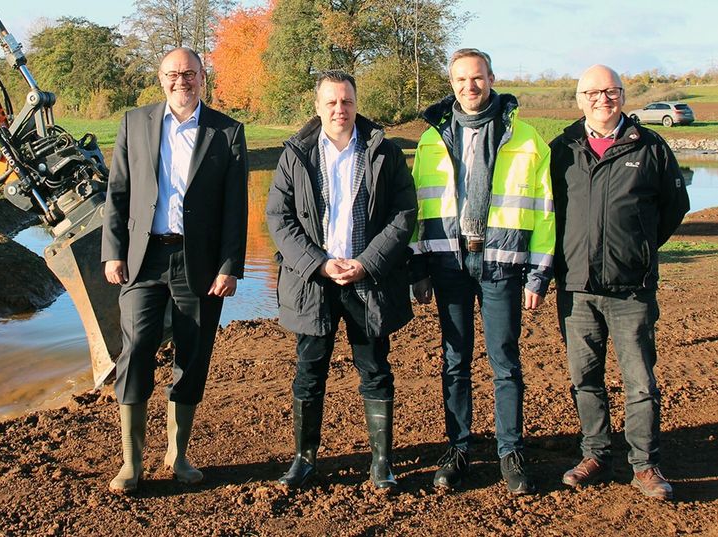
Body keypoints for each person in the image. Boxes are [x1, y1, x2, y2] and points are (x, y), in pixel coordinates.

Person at [101, 47, 248, 493]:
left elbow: (235, 207)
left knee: (192, 354)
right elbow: (118, 191)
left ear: (203, 78)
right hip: (144, 259)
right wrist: (113, 252)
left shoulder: (227, 131)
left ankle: (178, 454)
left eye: (189, 73)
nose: (181, 80)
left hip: (199, 263)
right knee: (135, 349)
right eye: (172, 73)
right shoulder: (134, 122)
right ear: (160, 78)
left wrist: (229, 266)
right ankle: (131, 462)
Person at [410, 48, 554, 495]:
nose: (469, 87)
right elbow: (417, 208)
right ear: (451, 84)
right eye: (460, 80)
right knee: (454, 360)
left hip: (501, 264)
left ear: (491, 78)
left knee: (504, 362)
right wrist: (417, 267)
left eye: (477, 78)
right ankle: (458, 450)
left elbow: (544, 210)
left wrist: (538, 274)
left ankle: (510, 452)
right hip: (448, 263)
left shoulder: (525, 137)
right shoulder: (432, 139)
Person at [266, 70, 417, 490]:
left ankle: (382, 463)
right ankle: (303, 460)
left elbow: (404, 214)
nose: (340, 109)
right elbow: (278, 217)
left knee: (375, 369)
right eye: (331, 102)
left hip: (368, 281)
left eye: (346, 101)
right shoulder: (295, 155)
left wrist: (367, 263)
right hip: (313, 282)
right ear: (317, 107)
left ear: (356, 104)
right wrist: (317, 263)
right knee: (309, 371)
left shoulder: (383, 151)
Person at [550, 64, 689, 500]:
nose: (602, 99)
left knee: (640, 381)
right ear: (579, 99)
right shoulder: (562, 148)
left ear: (623, 96)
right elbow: (547, 213)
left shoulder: (650, 146)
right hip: (577, 287)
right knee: (584, 378)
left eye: (610, 91)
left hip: (631, 288)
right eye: (592, 92)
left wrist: (639, 248)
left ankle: (645, 464)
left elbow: (674, 206)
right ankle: (595, 454)